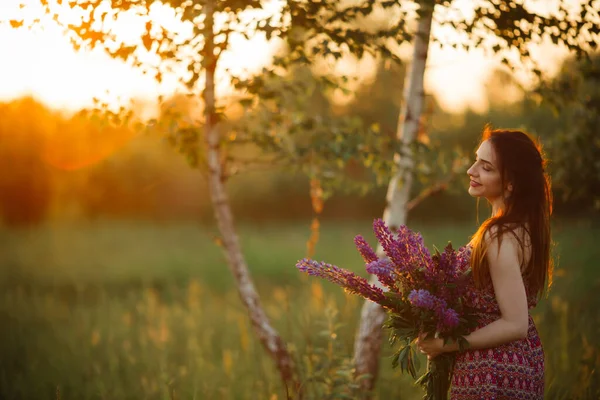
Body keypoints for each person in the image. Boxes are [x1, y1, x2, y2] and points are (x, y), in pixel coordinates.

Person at [416, 127, 552, 399]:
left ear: (510, 182)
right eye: (476, 160)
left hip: (493, 369)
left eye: (486, 167)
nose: (471, 170)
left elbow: (515, 323)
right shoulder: (523, 228)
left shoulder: (499, 235)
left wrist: (445, 344)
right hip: (517, 362)